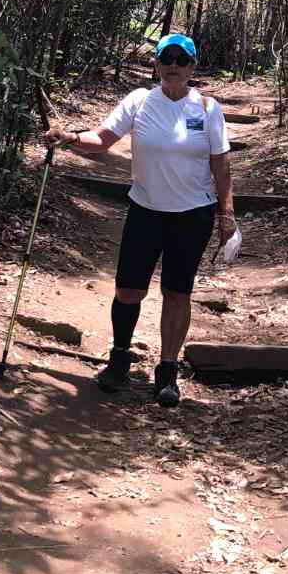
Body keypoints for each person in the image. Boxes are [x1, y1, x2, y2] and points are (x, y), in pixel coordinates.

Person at [44, 33, 236, 406]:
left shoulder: (208, 109)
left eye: (182, 59)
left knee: (177, 292)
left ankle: (168, 370)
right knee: (128, 290)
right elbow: (103, 139)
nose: (174, 65)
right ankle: (119, 359)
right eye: (167, 58)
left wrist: (226, 213)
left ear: (193, 67)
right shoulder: (139, 101)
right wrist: (69, 138)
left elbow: (221, 164)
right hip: (145, 210)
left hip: (193, 214)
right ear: (156, 64)